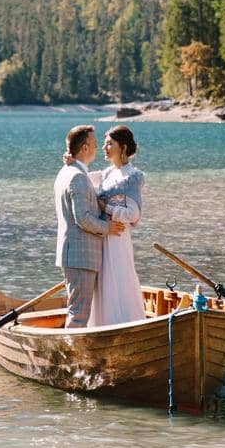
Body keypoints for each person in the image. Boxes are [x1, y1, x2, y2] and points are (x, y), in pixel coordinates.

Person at [53, 124, 124, 328]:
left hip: (76, 255)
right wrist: (107, 227)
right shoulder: (76, 177)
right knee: (78, 316)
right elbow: (82, 218)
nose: (98, 147)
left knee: (77, 312)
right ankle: (70, 359)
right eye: (94, 143)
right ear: (84, 148)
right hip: (80, 256)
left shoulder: (68, 171)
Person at [87, 124, 145, 326]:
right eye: (104, 144)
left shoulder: (132, 177)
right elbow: (82, 178)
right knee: (103, 282)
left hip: (118, 238)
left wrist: (108, 209)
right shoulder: (108, 173)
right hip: (104, 235)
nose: (104, 148)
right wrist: (73, 162)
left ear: (123, 147)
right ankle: (103, 325)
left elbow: (133, 214)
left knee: (119, 279)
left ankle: (126, 322)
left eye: (109, 144)